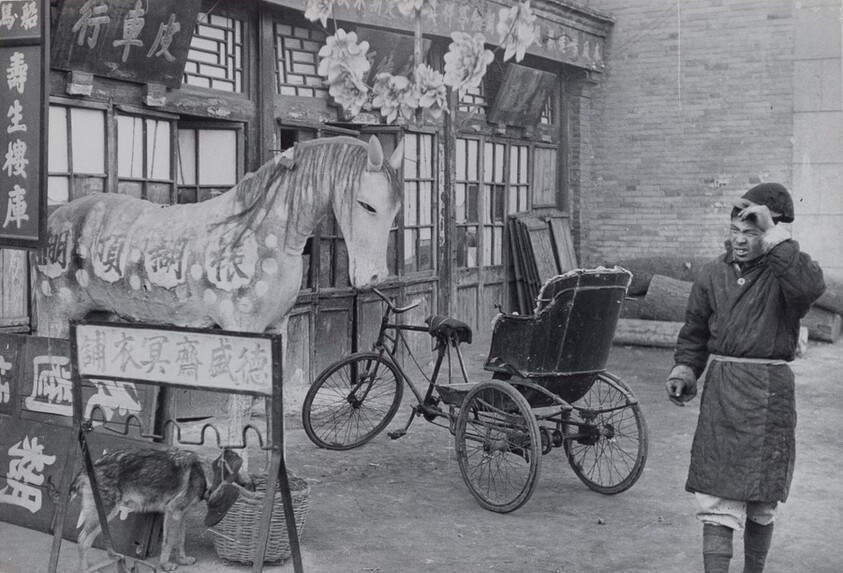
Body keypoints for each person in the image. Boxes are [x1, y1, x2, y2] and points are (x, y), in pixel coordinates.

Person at [665, 182, 825, 573]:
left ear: (772, 233)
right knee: (715, 496)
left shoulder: (789, 276)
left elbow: (808, 289)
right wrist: (686, 367)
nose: (739, 241)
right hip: (722, 392)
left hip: (768, 396)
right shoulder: (712, 274)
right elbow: (695, 330)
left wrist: (773, 234)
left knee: (761, 498)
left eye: (751, 232)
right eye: (735, 231)